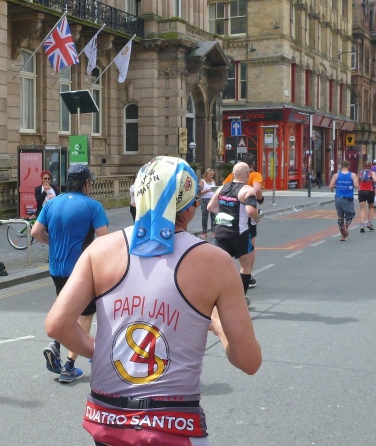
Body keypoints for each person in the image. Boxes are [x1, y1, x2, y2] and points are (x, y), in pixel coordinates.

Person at [45, 156, 261, 445]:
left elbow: (57, 325)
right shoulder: (216, 262)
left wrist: (101, 351)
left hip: (107, 419)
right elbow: (249, 361)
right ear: (190, 207)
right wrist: (219, 327)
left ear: (138, 199)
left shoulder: (100, 250)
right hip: (172, 424)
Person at [31, 164, 109, 383]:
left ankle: (56, 343)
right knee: (85, 315)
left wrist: (51, 242)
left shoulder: (52, 203)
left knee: (67, 310)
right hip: (81, 270)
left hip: (56, 268)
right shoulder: (93, 206)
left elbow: (35, 231)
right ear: (86, 183)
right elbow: (104, 240)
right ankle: (68, 366)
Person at [208, 162, 260, 306]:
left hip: (220, 232)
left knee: (221, 267)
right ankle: (240, 299)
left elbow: (210, 206)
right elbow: (250, 210)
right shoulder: (248, 190)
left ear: (232, 174)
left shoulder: (222, 188)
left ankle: (217, 298)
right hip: (239, 233)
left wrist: (226, 214)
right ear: (247, 174)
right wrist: (256, 218)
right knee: (245, 266)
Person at [223, 154, 263, 289]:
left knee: (225, 251)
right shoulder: (254, 175)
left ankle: (226, 279)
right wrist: (260, 199)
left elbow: (224, 188)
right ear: (252, 165)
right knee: (250, 246)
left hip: (229, 214)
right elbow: (257, 189)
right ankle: (247, 276)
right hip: (246, 215)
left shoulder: (233, 175)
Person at [329, 160, 359, 241]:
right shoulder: (353, 175)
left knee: (340, 217)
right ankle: (346, 226)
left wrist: (337, 186)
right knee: (350, 215)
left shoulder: (336, 175)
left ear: (341, 166)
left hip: (338, 198)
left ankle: (343, 235)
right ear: (349, 166)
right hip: (348, 198)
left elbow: (330, 186)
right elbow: (356, 185)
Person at [357, 160, 376, 232]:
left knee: (362, 209)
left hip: (361, 191)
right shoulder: (372, 173)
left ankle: (362, 224)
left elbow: (357, 182)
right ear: (370, 166)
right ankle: (369, 223)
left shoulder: (360, 173)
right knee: (371, 207)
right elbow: (375, 180)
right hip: (370, 191)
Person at [199, 168, 217, 239]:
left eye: (212, 175)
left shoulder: (213, 181)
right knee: (205, 216)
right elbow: (199, 192)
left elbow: (215, 190)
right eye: (210, 175)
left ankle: (213, 231)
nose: (211, 177)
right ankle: (204, 232)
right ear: (206, 174)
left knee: (213, 216)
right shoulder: (202, 181)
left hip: (212, 199)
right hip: (204, 200)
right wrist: (206, 190)